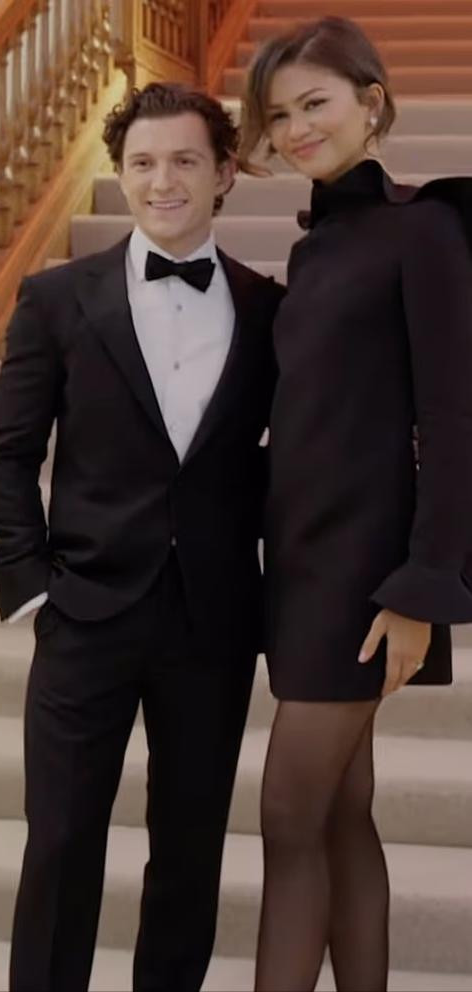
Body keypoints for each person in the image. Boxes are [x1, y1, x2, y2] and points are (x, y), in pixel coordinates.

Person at [0, 82, 283, 992]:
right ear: (120, 174)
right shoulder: (55, 299)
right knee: (61, 842)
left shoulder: (270, 308)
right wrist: (31, 582)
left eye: (185, 160)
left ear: (224, 173)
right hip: (85, 613)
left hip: (213, 623)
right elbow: (8, 455)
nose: (163, 181)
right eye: (143, 162)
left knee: (189, 851)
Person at [239, 16, 472, 992]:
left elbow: (453, 418)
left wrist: (423, 584)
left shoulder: (424, 228)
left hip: (364, 576)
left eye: (315, 103)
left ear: (371, 102)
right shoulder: (315, 248)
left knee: (288, 815)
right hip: (297, 565)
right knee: (337, 814)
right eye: (277, 114)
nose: (295, 128)